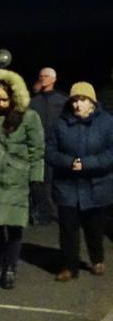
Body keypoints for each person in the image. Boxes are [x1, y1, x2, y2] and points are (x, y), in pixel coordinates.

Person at [0, 69, 45, 289]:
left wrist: (36, 180)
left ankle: (11, 267)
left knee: (14, 227)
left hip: (18, 180)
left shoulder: (30, 118)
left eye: (5, 99)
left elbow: (37, 151)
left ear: (14, 96)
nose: (1, 103)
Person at [46, 82, 113, 280]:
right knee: (68, 228)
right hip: (67, 185)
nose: (77, 104)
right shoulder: (60, 123)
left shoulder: (107, 122)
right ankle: (69, 266)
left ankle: (97, 258)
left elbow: (110, 153)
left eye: (82, 100)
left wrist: (88, 163)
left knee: (94, 227)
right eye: (74, 100)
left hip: (96, 185)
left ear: (92, 102)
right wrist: (68, 162)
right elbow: (50, 151)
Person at [29, 67, 69, 224]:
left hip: (58, 146)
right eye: (41, 76)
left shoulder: (62, 100)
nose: (42, 78)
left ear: (53, 79)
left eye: (46, 76)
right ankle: (44, 213)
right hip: (39, 146)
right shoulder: (33, 102)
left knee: (58, 181)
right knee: (41, 181)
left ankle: (60, 212)